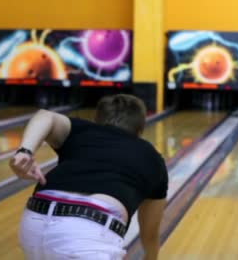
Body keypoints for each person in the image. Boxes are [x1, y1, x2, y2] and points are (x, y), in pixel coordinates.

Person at [10, 94, 168, 260]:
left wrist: (25, 151)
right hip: (89, 230)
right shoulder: (153, 159)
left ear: (96, 120)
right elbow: (149, 234)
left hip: (34, 220)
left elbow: (45, 115)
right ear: (140, 130)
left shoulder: (81, 130)